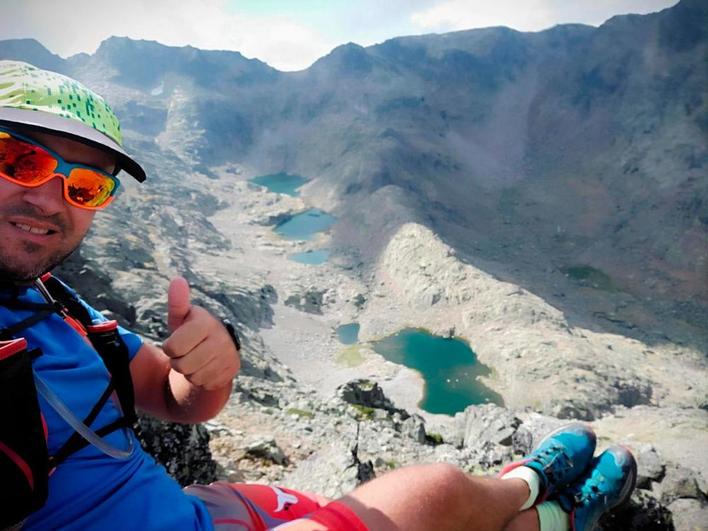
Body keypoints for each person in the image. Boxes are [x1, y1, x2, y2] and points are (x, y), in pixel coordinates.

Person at [0, 60, 636, 531]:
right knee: (431, 493)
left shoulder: (53, 303)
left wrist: (212, 366)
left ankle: (541, 511)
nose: (51, 198)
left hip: (177, 511)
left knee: (317, 506)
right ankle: (538, 497)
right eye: (21, 161)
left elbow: (175, 397)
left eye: (85, 186)